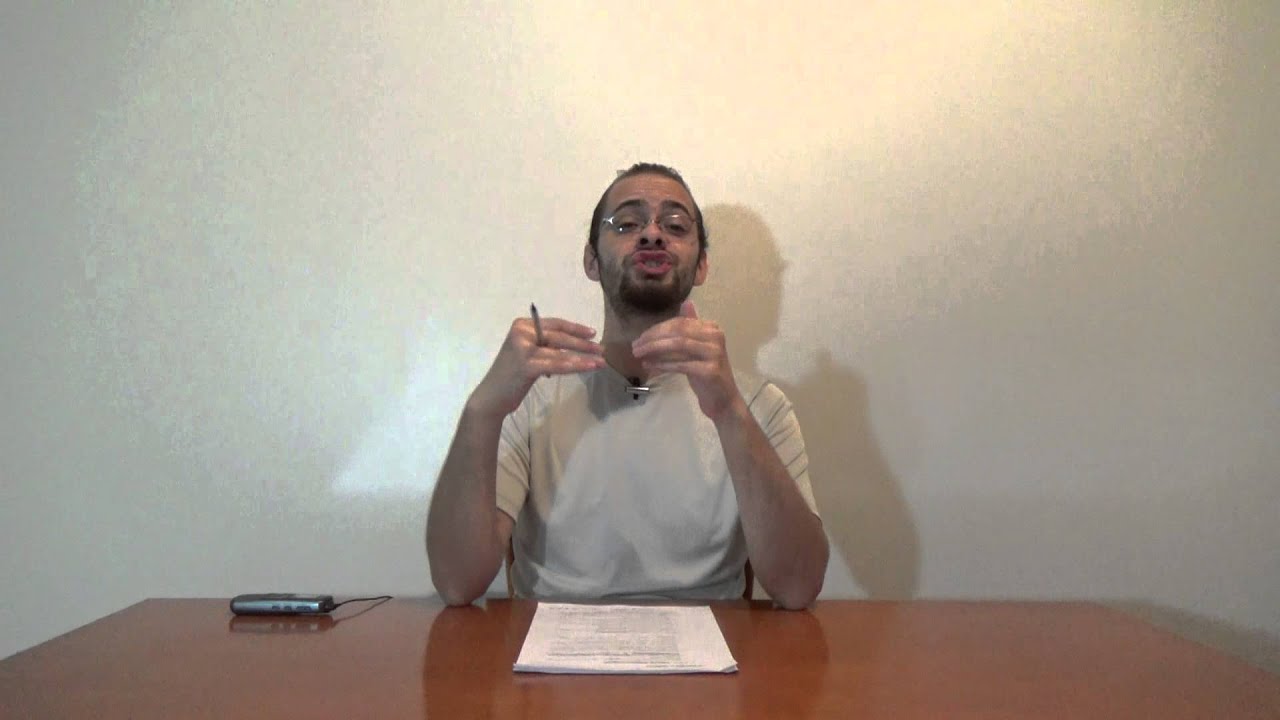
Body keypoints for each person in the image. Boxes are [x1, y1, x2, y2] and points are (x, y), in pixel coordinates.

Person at [426, 163, 828, 609]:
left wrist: (729, 412)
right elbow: (457, 583)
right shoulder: (530, 396)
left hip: (711, 644)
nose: (652, 234)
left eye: (675, 225)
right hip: (554, 645)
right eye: (627, 223)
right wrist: (482, 410)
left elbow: (798, 587)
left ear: (702, 265)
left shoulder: (758, 405)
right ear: (591, 260)